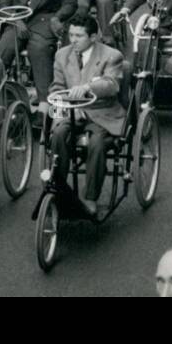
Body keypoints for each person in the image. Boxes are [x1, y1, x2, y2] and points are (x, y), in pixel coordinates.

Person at [49, 14, 126, 216]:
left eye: (79, 36)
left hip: (101, 111)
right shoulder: (61, 55)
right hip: (70, 109)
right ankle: (58, 190)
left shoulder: (112, 55)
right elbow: (56, 87)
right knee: (57, 135)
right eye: (71, 35)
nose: (73, 40)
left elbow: (111, 84)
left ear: (93, 37)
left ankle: (91, 197)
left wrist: (87, 87)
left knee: (96, 143)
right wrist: (58, 116)